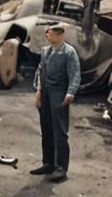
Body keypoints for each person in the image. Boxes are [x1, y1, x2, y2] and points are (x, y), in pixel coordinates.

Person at [31, 23, 80, 181]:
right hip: (45, 93)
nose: (47, 35)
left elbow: (74, 74)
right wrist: (38, 92)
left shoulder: (69, 52)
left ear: (60, 35)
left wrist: (70, 92)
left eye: (50, 33)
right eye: (47, 33)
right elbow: (40, 72)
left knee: (60, 132)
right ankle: (48, 163)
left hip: (59, 93)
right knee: (46, 129)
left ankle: (61, 168)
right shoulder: (46, 51)